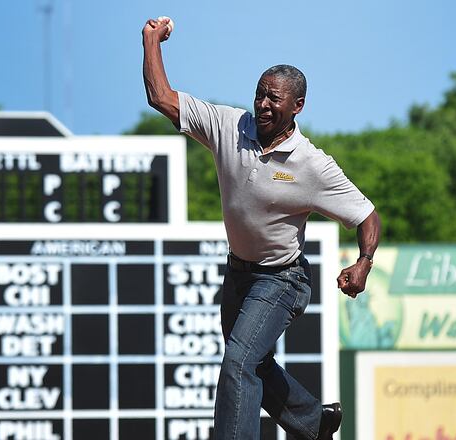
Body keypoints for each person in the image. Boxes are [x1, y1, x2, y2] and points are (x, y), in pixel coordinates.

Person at [142, 17, 381, 440]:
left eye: (274, 98)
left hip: (282, 279)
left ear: (297, 106)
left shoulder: (312, 165)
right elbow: (161, 97)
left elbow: (366, 215)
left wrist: (364, 261)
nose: (263, 104)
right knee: (255, 363)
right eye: (259, 95)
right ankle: (315, 421)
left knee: (237, 362)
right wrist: (151, 41)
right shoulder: (228, 126)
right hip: (239, 275)